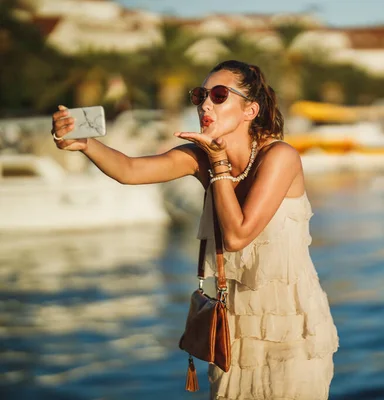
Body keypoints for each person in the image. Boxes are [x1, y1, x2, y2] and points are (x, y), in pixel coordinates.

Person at [51, 60, 339, 399]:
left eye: (218, 96)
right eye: (200, 95)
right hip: (232, 326)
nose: (205, 104)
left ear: (251, 110)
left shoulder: (279, 156)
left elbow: (237, 235)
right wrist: (86, 144)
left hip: (290, 325)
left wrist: (217, 165)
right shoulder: (199, 157)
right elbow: (129, 170)